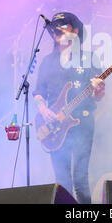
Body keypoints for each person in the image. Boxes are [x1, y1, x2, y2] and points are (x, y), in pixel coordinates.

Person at [33, 12, 105, 204]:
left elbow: (99, 96)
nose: (57, 31)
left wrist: (99, 90)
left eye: (63, 26)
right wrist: (43, 110)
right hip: (56, 127)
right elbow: (38, 92)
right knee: (62, 183)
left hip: (83, 123)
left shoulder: (89, 58)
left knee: (80, 180)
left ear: (75, 31)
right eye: (55, 29)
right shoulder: (48, 62)